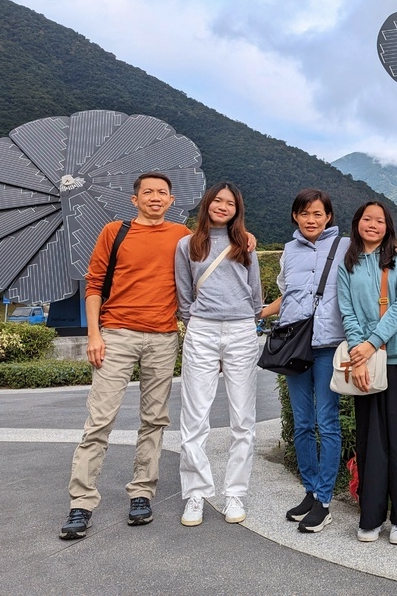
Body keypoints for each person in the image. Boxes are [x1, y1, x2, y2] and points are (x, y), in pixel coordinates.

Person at [59, 172, 255, 540]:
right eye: (147, 192)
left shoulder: (184, 238)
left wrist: (245, 239)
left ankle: (142, 494)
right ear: (135, 199)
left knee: (154, 420)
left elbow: (219, 250)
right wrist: (94, 334)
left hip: (163, 337)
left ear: (171, 200)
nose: (155, 197)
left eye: (162, 193)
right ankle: (81, 502)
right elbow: (94, 282)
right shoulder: (114, 232)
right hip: (116, 334)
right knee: (99, 420)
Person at [259, 189, 397, 534]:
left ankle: (325, 500)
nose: (311, 220)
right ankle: (310, 491)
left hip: (330, 345)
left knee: (326, 422)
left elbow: (379, 253)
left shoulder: (346, 245)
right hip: (295, 345)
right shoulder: (288, 251)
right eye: (304, 213)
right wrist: (257, 311)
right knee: (301, 423)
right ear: (295, 216)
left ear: (329, 216)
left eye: (318, 213)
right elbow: (287, 295)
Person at [337, 201, 397, 545]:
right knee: (371, 441)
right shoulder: (348, 263)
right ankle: (370, 517)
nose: (371, 224)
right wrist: (359, 357)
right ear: (357, 223)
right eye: (365, 219)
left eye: (379, 220)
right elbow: (346, 309)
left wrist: (372, 343)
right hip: (366, 363)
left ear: (388, 226)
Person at [174, 182, 263, 528]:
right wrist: (194, 321)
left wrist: (249, 321)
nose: (222, 206)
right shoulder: (188, 245)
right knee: (194, 416)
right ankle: (196, 492)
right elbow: (184, 294)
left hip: (241, 329)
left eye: (230, 203)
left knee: (244, 418)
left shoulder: (245, 245)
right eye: (217, 201)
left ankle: (235, 492)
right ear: (207, 204)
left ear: (237, 209)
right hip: (202, 329)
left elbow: (255, 293)